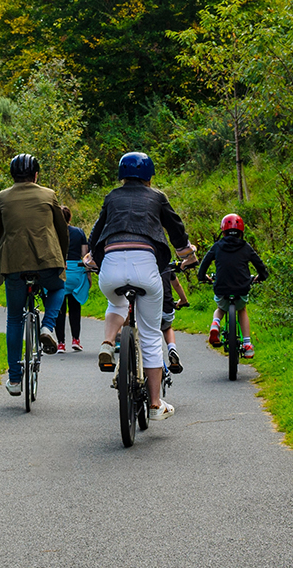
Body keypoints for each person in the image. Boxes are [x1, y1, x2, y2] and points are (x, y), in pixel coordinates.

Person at [89, 151, 195, 421]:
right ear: (149, 176)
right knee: (149, 335)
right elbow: (176, 229)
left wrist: (92, 257)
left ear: (121, 176)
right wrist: (187, 253)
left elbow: (96, 233)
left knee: (116, 301)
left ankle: (107, 341)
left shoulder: (111, 197)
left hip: (111, 265)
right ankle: (156, 404)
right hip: (146, 266)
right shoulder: (157, 197)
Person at [0, 153, 69, 397]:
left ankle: (14, 379)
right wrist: (61, 259)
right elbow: (61, 230)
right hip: (46, 261)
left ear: (13, 175)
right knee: (58, 288)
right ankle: (47, 326)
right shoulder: (48, 194)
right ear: (36, 175)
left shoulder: (3, 196)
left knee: (14, 319)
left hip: (13, 264)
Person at [197, 213, 268, 359]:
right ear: (241, 232)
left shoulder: (217, 246)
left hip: (221, 288)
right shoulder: (246, 247)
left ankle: (215, 324)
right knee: (241, 309)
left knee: (220, 308)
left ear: (223, 231)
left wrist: (203, 277)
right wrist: (261, 277)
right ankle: (247, 344)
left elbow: (203, 265)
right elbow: (260, 266)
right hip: (241, 288)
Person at [55, 205, 93, 353]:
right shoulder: (79, 232)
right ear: (70, 218)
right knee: (75, 307)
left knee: (59, 308)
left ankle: (60, 343)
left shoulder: (53, 233)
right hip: (76, 273)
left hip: (60, 272)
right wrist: (88, 275)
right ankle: (76, 340)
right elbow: (85, 257)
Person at [160, 259, 190, 374]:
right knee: (167, 328)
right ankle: (172, 348)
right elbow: (176, 284)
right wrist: (183, 300)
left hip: (148, 310)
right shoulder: (166, 265)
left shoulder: (143, 265)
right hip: (167, 309)